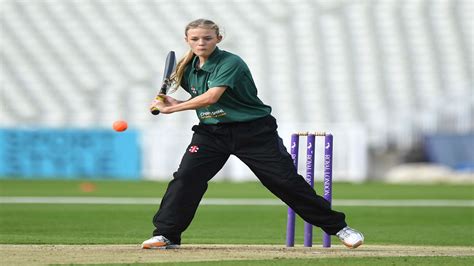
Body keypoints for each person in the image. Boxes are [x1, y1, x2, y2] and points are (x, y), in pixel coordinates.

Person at [142, 18, 364, 249]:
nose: (201, 43)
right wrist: (178, 101)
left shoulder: (231, 62)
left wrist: (172, 108)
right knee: (186, 178)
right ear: (186, 40)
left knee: (284, 182)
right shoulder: (187, 68)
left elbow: (211, 97)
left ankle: (340, 228)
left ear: (218, 38)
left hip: (254, 132)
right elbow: (203, 100)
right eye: (195, 39)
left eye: (207, 38)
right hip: (211, 133)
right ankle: (166, 235)